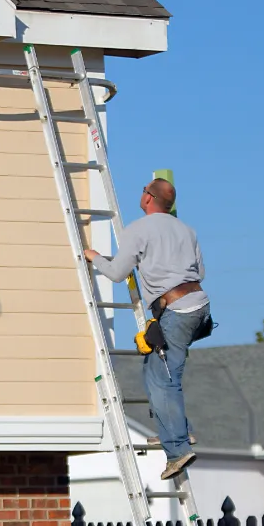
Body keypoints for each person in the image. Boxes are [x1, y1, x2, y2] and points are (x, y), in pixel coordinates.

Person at [84, 178, 211, 480]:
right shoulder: (186, 230)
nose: (140, 193)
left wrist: (94, 257)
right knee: (157, 373)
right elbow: (200, 272)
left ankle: (178, 450)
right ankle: (178, 431)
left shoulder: (139, 230)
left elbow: (116, 273)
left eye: (143, 190)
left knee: (163, 380)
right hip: (198, 307)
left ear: (149, 198)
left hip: (176, 311)